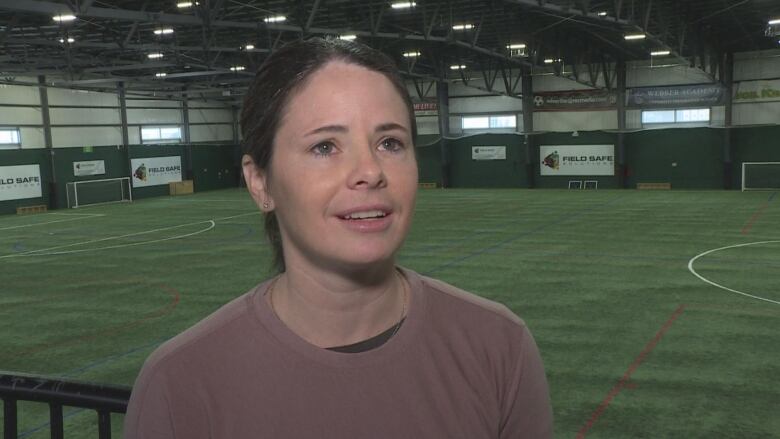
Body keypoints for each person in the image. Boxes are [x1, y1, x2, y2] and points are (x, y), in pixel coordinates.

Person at [124, 37, 552, 438]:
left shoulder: (499, 349)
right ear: (260, 183)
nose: (370, 171)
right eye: (325, 147)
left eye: (389, 142)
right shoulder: (178, 384)